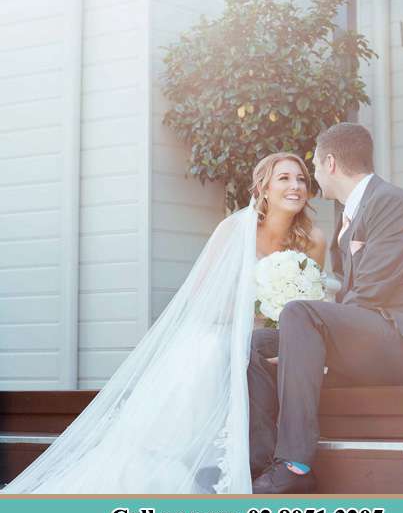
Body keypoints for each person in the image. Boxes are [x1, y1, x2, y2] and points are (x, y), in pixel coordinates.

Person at [1, 152, 325, 495]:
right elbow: (203, 299)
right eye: (284, 178)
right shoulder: (234, 229)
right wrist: (259, 307)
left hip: (270, 337)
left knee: (255, 352)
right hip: (222, 329)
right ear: (264, 187)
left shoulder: (312, 239)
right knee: (213, 351)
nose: (295, 186)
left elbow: (309, 304)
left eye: (301, 179)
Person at [250, 123, 403, 494]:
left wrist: (311, 345)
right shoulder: (357, 211)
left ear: (330, 163)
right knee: (256, 344)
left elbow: (367, 294)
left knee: (300, 315)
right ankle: (260, 462)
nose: (313, 177)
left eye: (314, 167)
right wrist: (301, 345)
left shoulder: (389, 202)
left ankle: (295, 465)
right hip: (383, 336)